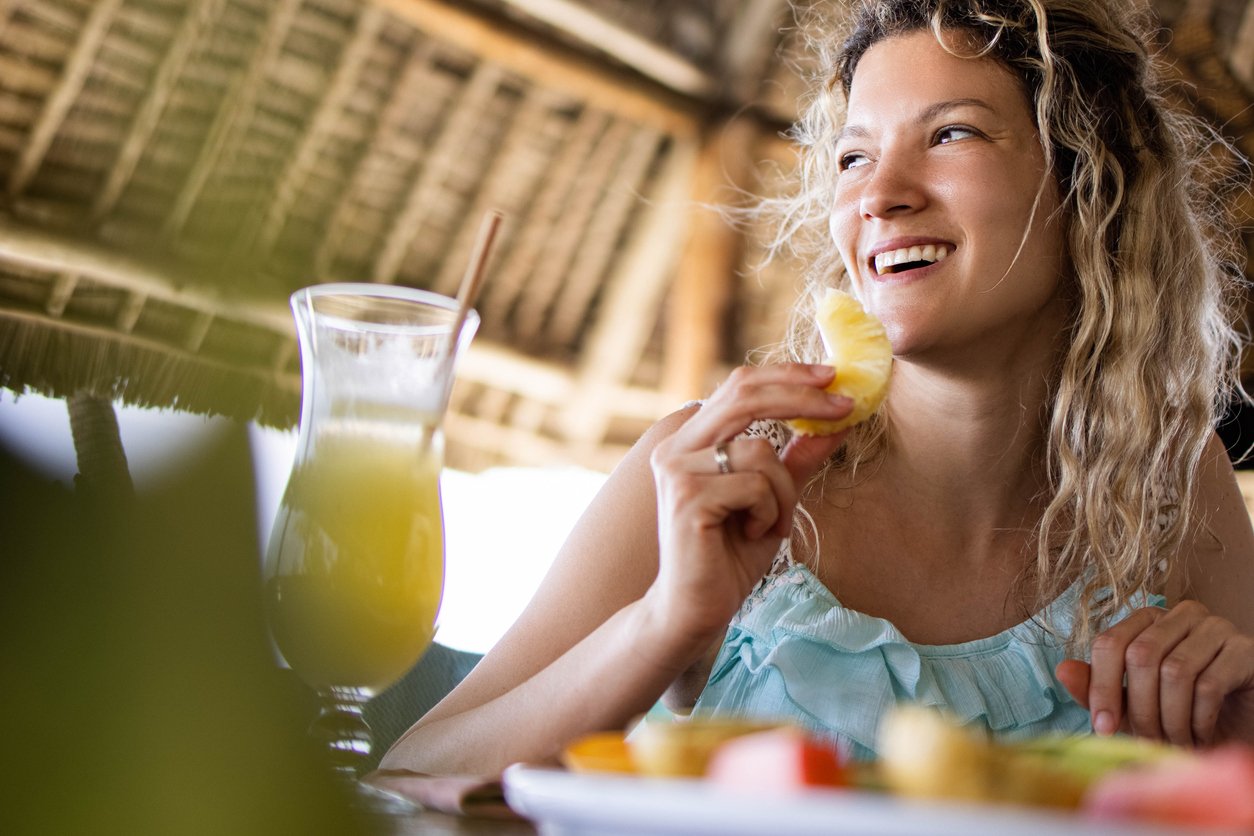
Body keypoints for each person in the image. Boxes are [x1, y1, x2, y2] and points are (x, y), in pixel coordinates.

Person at [380, 0, 1254, 775]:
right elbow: (412, 772)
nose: (880, 194)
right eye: (853, 156)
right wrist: (664, 624)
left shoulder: (1173, 489)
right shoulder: (711, 476)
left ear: (1086, 182)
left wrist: (1233, 732)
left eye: (951, 133)